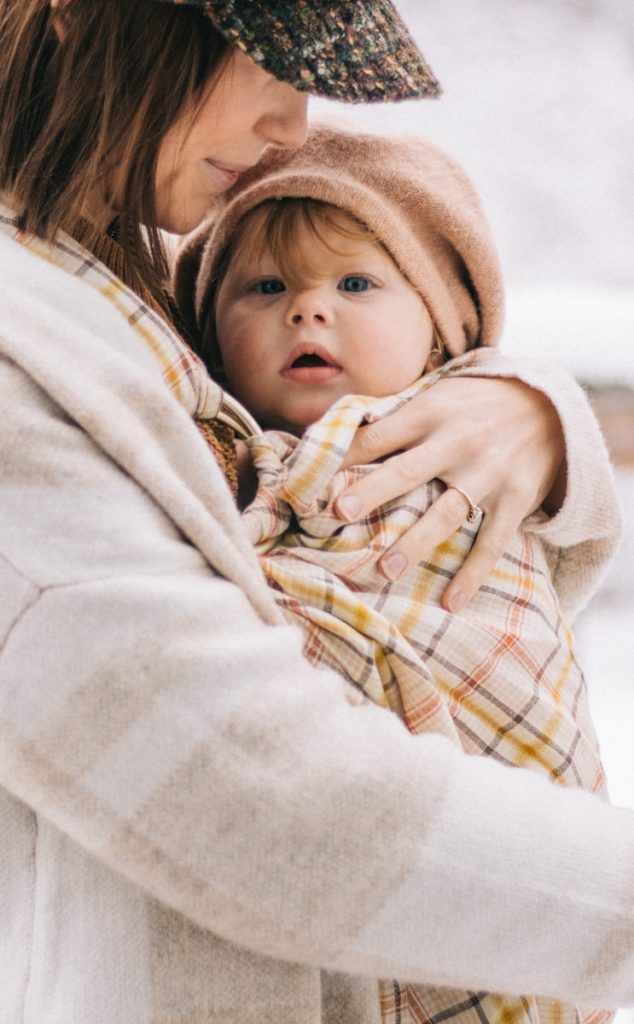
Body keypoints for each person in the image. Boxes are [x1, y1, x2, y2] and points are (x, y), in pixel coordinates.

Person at [0, 3, 632, 1023]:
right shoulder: (26, 350)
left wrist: (526, 413)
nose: (293, 125)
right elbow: (266, 798)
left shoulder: (111, 268)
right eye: (260, 58)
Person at [174, 123, 613, 1024]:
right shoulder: (220, 449)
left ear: (443, 325)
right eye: (265, 288)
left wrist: (542, 408)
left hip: (499, 783)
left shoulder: (483, 417)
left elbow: (584, 529)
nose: (308, 310)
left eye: (356, 284)